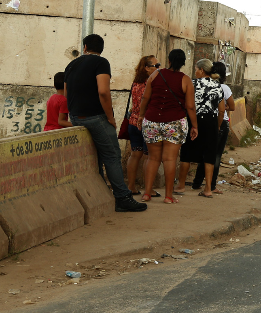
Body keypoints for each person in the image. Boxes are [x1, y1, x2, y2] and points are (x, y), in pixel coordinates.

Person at [64, 34, 147, 212]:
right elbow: (103, 91)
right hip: (95, 116)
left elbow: (65, 94)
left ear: (85, 47)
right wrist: (110, 117)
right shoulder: (101, 63)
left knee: (99, 156)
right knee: (111, 155)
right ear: (101, 49)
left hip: (76, 117)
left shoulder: (71, 64)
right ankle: (122, 197)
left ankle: (103, 191)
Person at [137, 49, 198, 204]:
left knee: (152, 158)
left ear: (169, 60)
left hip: (151, 121)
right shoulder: (185, 80)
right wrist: (194, 126)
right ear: (183, 63)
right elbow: (190, 107)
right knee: (170, 159)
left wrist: (141, 115)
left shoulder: (155, 74)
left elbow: (145, 97)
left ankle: (146, 194)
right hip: (175, 122)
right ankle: (169, 196)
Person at [175, 59, 225, 199]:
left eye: (196, 69)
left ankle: (181, 185)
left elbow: (186, 104)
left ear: (202, 70)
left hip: (193, 120)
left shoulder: (192, 83)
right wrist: (218, 125)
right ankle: (208, 189)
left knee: (187, 153)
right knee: (209, 156)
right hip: (211, 121)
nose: (195, 71)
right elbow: (221, 110)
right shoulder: (217, 86)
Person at [191, 61, 235, 195]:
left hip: (202, 122)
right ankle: (211, 186)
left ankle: (197, 182)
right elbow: (231, 107)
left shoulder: (198, 85)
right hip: (218, 124)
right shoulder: (223, 88)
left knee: (203, 154)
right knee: (214, 156)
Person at [126, 55, 162, 198]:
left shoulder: (135, 83)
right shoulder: (151, 83)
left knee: (135, 154)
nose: (158, 68)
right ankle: (149, 189)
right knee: (150, 157)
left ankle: (131, 187)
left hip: (133, 123)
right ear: (147, 68)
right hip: (147, 123)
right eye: (156, 65)